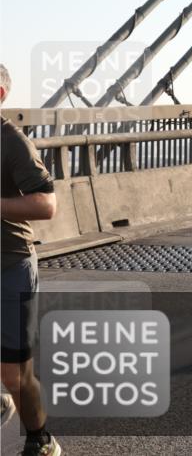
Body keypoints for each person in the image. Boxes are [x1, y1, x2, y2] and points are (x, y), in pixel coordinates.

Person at [1, 64, 62, 456]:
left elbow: (46, 204)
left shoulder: (11, 142)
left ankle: (41, 439)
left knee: (16, 373)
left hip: (10, 265)